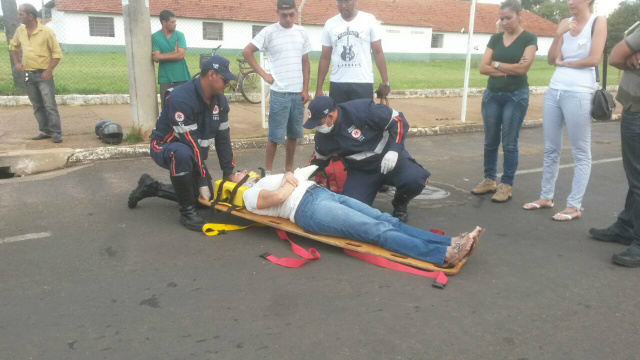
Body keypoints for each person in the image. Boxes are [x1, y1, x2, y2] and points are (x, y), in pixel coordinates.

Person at [228, 166, 481, 266]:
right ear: (235, 182)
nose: (243, 171)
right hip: (307, 209)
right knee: (376, 230)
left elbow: (290, 181)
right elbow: (280, 198)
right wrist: (288, 180)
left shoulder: (263, 178)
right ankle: (442, 255)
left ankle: (447, 242)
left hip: (322, 194)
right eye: (238, 172)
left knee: (387, 220)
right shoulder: (249, 194)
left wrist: (291, 176)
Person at [127, 56, 236, 231]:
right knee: (182, 153)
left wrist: (228, 174)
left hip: (193, 154)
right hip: (165, 147)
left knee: (203, 201)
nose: (228, 83)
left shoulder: (220, 101)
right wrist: (201, 179)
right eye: (225, 79)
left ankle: (151, 187)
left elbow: (223, 139)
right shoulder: (180, 98)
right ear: (211, 75)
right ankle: (187, 214)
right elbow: (190, 143)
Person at [522, 0, 606, 221]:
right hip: (555, 90)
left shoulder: (598, 22)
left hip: (579, 92)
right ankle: (546, 197)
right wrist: (558, 34)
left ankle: (574, 205)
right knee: (551, 148)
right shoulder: (564, 22)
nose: (569, 2)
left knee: (580, 151)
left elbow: (594, 59)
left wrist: (566, 63)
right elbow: (552, 59)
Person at [306, 96, 430, 223]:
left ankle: (400, 203)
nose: (316, 127)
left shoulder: (361, 109)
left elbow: (398, 120)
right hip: (361, 171)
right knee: (348, 212)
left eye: (318, 123)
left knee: (415, 179)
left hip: (390, 159)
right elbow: (319, 161)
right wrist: (300, 176)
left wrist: (395, 149)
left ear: (330, 116)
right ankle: (370, 187)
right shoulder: (322, 137)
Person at [473, 0, 537, 203]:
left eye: (508, 18)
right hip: (492, 95)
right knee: (490, 141)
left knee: (509, 143)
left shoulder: (529, 38)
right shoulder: (495, 38)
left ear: (520, 16)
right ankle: (489, 180)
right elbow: (483, 67)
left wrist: (497, 64)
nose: (504, 22)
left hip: (516, 96)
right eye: (501, 18)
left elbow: (522, 70)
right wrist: (507, 70)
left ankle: (506, 185)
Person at [242, 0, 312, 174]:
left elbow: (305, 62)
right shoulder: (269, 32)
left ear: (296, 12)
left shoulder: (302, 33)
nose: (288, 18)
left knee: (294, 135)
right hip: (279, 93)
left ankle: (288, 170)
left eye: (291, 14)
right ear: (277, 12)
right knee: (274, 136)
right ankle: (268, 171)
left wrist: (305, 89)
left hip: (297, 94)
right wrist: (264, 74)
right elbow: (247, 51)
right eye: (284, 15)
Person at [589, 27, 640, 267]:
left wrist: (629, 57)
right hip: (634, 107)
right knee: (636, 178)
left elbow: (617, 56)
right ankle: (626, 226)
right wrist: (630, 56)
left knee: (638, 180)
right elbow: (620, 53)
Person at [315, 0, 390, 104]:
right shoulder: (330, 24)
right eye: (339, 2)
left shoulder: (369, 20)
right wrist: (318, 89)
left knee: (363, 119)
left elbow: (378, 52)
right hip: (337, 83)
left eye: (347, 2)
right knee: (339, 119)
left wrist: (385, 82)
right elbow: (325, 57)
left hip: (362, 82)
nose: (343, 6)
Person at [9, 4, 63, 143]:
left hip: (43, 75)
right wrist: (17, 63)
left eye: (21, 14)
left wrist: (49, 71)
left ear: (30, 16)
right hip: (28, 74)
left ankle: (56, 132)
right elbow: (13, 47)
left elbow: (57, 54)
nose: (18, 16)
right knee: (37, 105)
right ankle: (45, 131)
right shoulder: (20, 31)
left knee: (49, 104)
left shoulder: (46, 32)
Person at [152, 10, 191, 109]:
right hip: (165, 77)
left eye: (175, 22)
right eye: (172, 22)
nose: (175, 24)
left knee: (183, 104)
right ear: (164, 22)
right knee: (166, 105)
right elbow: (156, 58)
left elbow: (180, 55)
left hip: (181, 76)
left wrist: (162, 56)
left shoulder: (179, 35)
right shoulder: (155, 37)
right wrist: (173, 53)